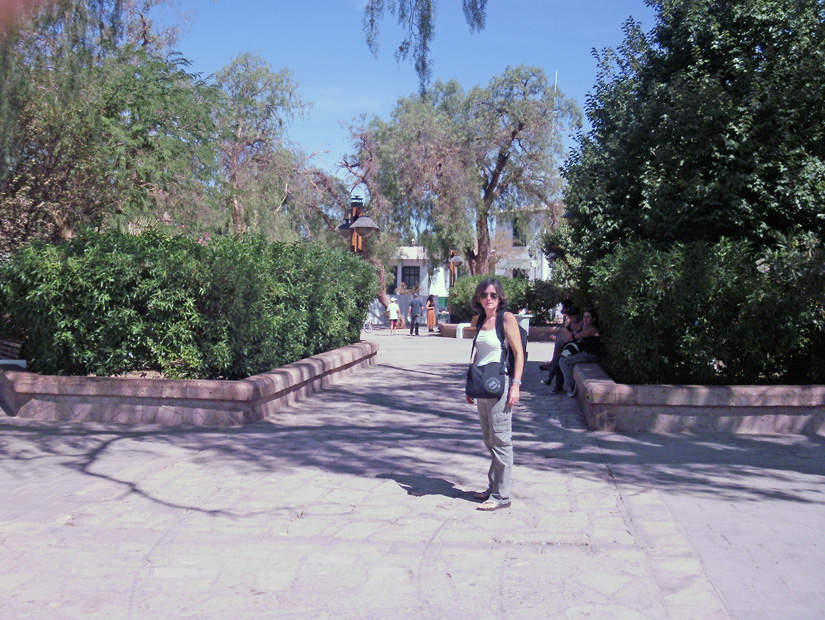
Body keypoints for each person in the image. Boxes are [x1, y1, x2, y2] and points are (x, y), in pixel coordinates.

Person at [465, 278, 524, 512]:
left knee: (501, 440)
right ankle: (493, 487)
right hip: (482, 385)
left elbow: (519, 354)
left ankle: (501, 495)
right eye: (484, 295)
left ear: (500, 297)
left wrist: (516, 385)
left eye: (493, 295)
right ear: (478, 298)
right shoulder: (481, 320)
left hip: (500, 385)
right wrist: (470, 385)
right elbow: (478, 354)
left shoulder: (506, 318)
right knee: (489, 440)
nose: (488, 298)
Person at [560, 308, 602, 398]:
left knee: (563, 361)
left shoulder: (592, 329)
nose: (585, 319)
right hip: (585, 353)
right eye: (584, 317)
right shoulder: (587, 328)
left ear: (593, 319)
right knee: (562, 357)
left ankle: (570, 386)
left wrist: (573, 333)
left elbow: (576, 336)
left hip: (591, 355)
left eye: (588, 317)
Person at [542, 305, 583, 393]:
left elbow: (580, 338)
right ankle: (556, 385)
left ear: (578, 315)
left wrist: (572, 337)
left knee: (559, 359)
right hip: (569, 346)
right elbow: (567, 338)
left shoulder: (582, 325)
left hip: (577, 348)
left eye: (573, 316)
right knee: (559, 360)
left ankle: (551, 379)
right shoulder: (570, 324)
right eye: (570, 316)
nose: (572, 318)